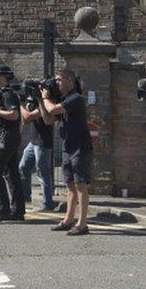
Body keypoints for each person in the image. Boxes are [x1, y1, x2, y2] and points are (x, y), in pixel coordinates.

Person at [36, 68, 92, 235]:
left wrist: (46, 98)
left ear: (70, 80)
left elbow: (53, 110)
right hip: (68, 147)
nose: (57, 83)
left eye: (60, 80)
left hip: (80, 147)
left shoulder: (76, 98)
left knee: (80, 185)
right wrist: (40, 99)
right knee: (70, 186)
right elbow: (48, 120)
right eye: (56, 80)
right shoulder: (63, 100)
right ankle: (68, 220)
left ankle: (82, 224)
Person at [0, 64, 26, 224]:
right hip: (10, 135)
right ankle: (18, 210)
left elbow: (14, 115)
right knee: (12, 173)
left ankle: (2, 211)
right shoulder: (5, 93)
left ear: (4, 77)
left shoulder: (7, 94)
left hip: (6, 136)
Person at [19, 94, 59, 212]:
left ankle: (47, 203)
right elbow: (25, 121)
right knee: (23, 167)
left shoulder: (44, 105)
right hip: (33, 141)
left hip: (43, 142)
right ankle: (26, 196)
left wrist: (20, 104)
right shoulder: (35, 104)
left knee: (42, 172)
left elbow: (27, 117)